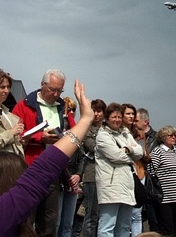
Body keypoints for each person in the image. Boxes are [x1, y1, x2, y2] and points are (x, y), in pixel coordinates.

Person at [0, 79, 94, 237]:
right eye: (2, 87)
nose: (6, 91)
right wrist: (85, 121)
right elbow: (42, 170)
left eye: (8, 87)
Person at [13, 69, 73, 237]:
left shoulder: (63, 107)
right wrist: (40, 137)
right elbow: (14, 133)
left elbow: (74, 133)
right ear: (42, 85)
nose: (55, 94)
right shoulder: (24, 105)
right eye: (52, 89)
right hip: (29, 168)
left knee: (49, 223)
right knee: (25, 220)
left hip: (54, 170)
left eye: (59, 90)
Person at [95, 102, 143, 236]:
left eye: (119, 117)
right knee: (107, 226)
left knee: (124, 226)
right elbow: (116, 156)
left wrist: (128, 149)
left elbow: (140, 151)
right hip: (111, 187)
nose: (117, 120)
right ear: (106, 118)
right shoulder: (103, 136)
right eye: (113, 117)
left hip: (127, 185)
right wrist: (132, 157)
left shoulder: (125, 133)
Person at [147, 126, 176, 237]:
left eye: (175, 135)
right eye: (171, 135)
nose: (174, 137)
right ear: (164, 137)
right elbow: (151, 171)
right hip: (164, 198)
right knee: (166, 230)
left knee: (175, 229)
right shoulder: (157, 152)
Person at [57, 97, 83, 237]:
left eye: (73, 109)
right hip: (59, 179)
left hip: (73, 179)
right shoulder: (57, 129)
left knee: (68, 223)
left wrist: (78, 175)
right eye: (68, 109)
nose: (70, 112)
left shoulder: (77, 131)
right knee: (56, 222)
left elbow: (83, 156)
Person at [80, 99, 105, 237]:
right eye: (94, 110)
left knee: (104, 215)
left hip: (108, 174)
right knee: (92, 214)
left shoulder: (109, 129)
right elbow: (93, 147)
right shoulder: (87, 128)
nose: (96, 114)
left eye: (99, 111)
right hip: (92, 174)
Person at [121, 103, 142, 236]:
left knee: (136, 214)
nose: (131, 116)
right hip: (124, 173)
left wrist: (132, 150)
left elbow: (141, 153)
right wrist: (132, 150)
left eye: (132, 114)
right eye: (128, 113)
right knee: (123, 215)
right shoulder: (119, 132)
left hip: (138, 172)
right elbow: (121, 153)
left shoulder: (136, 132)